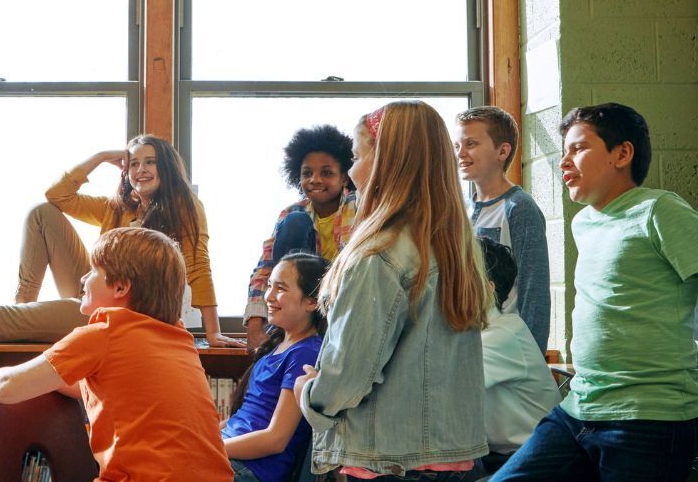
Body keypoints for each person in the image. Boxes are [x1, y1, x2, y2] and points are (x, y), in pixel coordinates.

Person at [491, 103, 698, 482]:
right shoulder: (584, 222)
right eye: (564, 151)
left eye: (579, 148)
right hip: (578, 408)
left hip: (648, 417)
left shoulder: (659, 209)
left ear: (622, 153)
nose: (563, 161)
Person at [296, 101, 491, 481]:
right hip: (452, 459)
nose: (351, 172)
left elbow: (348, 374)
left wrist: (310, 393)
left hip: (386, 462)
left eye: (356, 157)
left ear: (386, 162)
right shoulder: (457, 251)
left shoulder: (379, 255)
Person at [0, 226, 234, 482]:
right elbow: (107, 389)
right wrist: (50, 378)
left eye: (93, 271)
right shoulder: (178, 338)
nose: (83, 279)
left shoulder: (106, 332)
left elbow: (7, 386)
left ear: (120, 287)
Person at [0, 134, 242, 347]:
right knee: (42, 213)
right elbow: (56, 196)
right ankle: (22, 305)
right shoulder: (116, 208)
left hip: (124, 310)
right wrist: (100, 157)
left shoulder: (185, 207)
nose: (141, 170)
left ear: (166, 167)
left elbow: (198, 266)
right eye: (134, 163)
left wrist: (213, 332)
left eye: (150, 162)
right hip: (93, 291)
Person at [245, 125, 357, 348]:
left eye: (326, 173)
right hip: (303, 307)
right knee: (295, 221)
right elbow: (265, 269)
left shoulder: (358, 206)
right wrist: (255, 328)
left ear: (345, 177)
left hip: (344, 306)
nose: (315, 179)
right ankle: (284, 328)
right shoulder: (291, 213)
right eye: (307, 173)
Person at [223, 251, 327, 482]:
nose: (268, 296)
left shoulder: (305, 353)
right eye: (269, 286)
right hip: (230, 454)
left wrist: (210, 447)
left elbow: (276, 439)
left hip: (251, 469)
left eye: (281, 288)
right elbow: (243, 417)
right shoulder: (278, 345)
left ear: (312, 302)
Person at [454, 106, 550, 352]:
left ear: (502, 151)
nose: (461, 153)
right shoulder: (460, 210)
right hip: (468, 344)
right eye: (457, 146)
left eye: (471, 144)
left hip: (506, 347)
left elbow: (534, 289)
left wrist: (533, 356)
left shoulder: (519, 207)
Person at [464, 238, 559, 480]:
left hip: (534, 460)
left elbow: (442, 390)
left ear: (487, 288)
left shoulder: (502, 335)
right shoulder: (477, 332)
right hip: (496, 457)